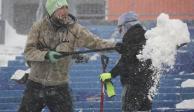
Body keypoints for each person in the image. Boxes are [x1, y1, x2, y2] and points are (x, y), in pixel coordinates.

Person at [18, 0, 122, 111]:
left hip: (59, 86)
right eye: (60, 8)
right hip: (35, 84)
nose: (65, 11)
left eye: (66, 7)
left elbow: (96, 42)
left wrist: (114, 46)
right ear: (51, 11)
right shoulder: (38, 27)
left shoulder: (75, 29)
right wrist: (46, 55)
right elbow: (29, 52)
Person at [100, 12, 156, 112]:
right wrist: (124, 48)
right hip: (147, 85)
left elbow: (126, 61)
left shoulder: (131, 36)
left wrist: (111, 74)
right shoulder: (144, 35)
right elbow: (133, 54)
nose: (120, 31)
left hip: (133, 84)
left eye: (120, 28)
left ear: (126, 25)